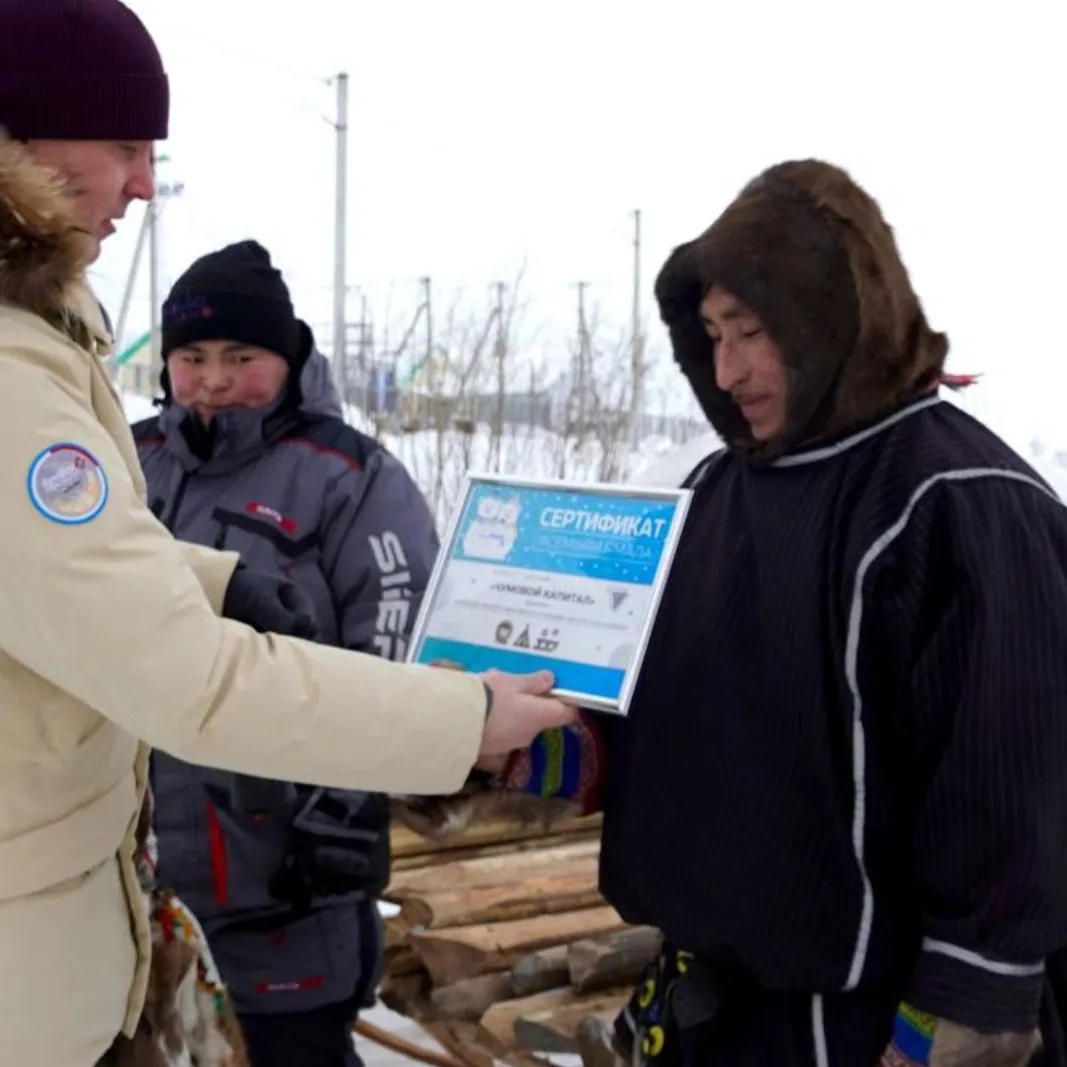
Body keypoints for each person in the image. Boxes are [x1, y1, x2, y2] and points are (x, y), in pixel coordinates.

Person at [0, 3, 572, 1065]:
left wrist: (209, 580)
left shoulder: (343, 472)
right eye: (122, 145)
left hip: (268, 874)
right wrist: (461, 722)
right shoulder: (19, 379)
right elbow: (179, 675)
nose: (140, 183)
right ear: (23, 139)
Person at [460, 161, 1067, 1067]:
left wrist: (953, 1025)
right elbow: (670, 721)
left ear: (830, 317)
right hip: (710, 1007)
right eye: (709, 334)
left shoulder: (958, 504)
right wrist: (529, 740)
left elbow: (1013, 810)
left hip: (867, 1025)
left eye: (751, 331)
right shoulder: (713, 492)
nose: (726, 367)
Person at [131, 239, 436, 1067]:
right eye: (192, 357)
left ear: (289, 356)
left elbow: (397, 653)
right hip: (134, 894)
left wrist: (345, 805)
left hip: (284, 888)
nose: (216, 379)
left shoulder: (348, 475)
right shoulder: (124, 464)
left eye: (242, 355)